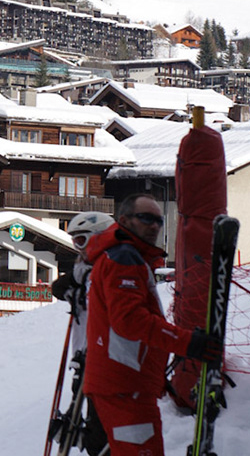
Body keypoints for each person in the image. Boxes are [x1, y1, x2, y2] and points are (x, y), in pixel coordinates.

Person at [82, 193, 221, 456]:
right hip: (124, 384)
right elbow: (130, 321)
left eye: (159, 220)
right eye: (146, 218)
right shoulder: (123, 258)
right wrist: (187, 342)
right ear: (125, 220)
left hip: (128, 382)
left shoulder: (128, 255)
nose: (154, 226)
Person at [49, 210, 113, 456]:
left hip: (104, 359)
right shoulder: (83, 269)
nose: (79, 249)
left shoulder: (111, 268)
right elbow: (60, 288)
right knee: (85, 421)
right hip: (84, 355)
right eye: (75, 241)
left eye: (82, 240)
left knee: (100, 430)